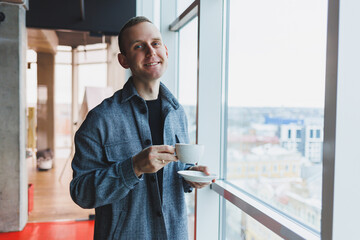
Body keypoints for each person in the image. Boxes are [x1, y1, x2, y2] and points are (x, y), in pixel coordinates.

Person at [70, 16, 212, 240]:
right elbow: (81, 192)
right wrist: (133, 167)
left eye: (155, 43)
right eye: (138, 46)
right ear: (123, 60)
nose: (150, 51)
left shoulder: (178, 113)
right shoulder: (99, 119)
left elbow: (176, 174)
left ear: (165, 50)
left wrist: (191, 177)